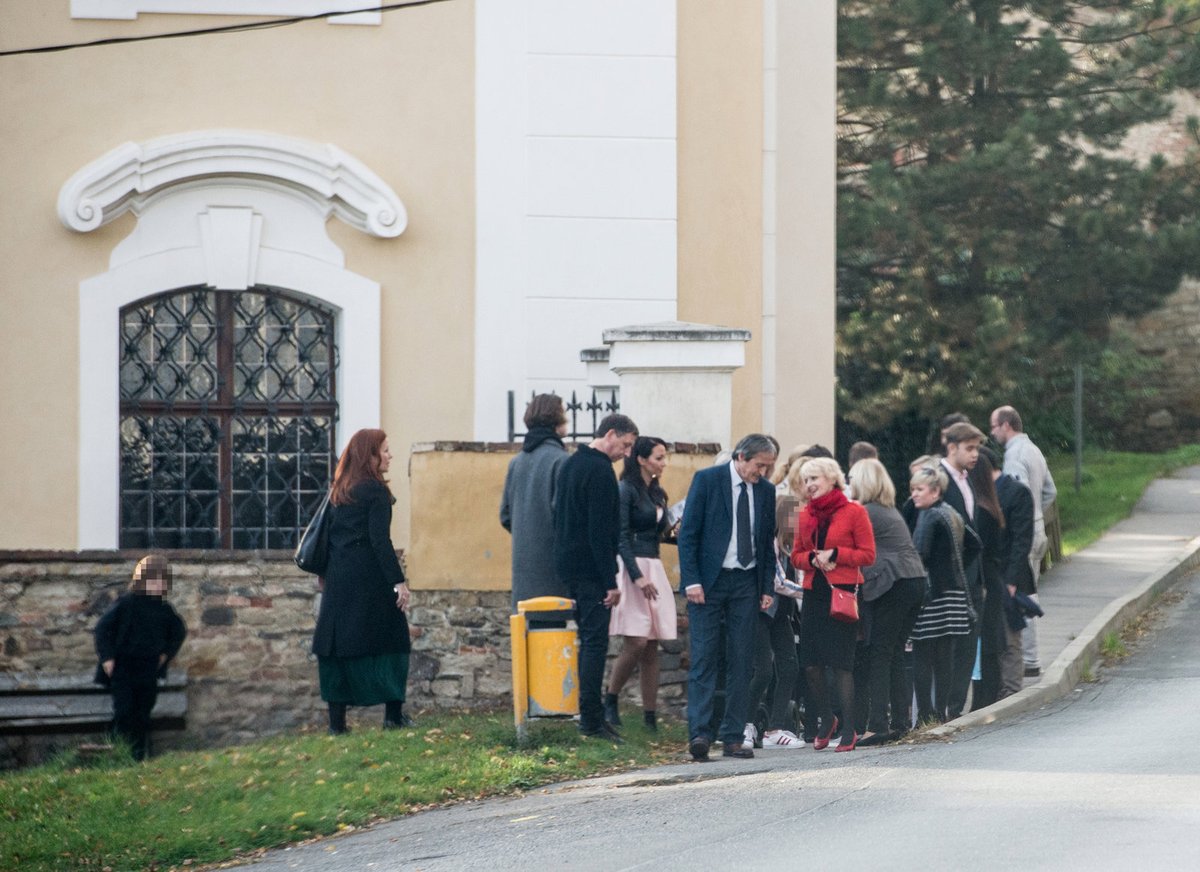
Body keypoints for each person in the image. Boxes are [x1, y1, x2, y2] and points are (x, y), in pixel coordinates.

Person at [678, 433, 778, 761]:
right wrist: (691, 580)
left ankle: (733, 736)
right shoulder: (708, 480)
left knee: (742, 659)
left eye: (768, 467)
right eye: (759, 466)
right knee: (705, 656)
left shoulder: (765, 491)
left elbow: (766, 543)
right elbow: (688, 534)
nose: (762, 472)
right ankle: (700, 735)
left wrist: (766, 588)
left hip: (746, 582)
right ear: (741, 457)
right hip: (709, 581)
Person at [312, 429, 412, 735]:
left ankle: (336, 725)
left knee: (337, 647)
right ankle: (393, 716)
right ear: (370, 455)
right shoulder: (376, 492)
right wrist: (399, 582)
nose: (390, 455)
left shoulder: (339, 490)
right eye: (385, 450)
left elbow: (328, 539)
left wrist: (324, 574)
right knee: (393, 641)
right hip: (370, 580)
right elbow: (380, 541)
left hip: (339, 580)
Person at [554, 413, 639, 742]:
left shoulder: (572, 464)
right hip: (591, 570)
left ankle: (590, 714)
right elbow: (600, 532)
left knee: (587, 642)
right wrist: (610, 580)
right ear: (612, 434)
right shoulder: (601, 470)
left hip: (570, 565)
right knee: (594, 643)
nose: (627, 453)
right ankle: (590, 719)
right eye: (626, 444)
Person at [791, 457, 876, 752]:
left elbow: (868, 554)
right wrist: (812, 560)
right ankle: (828, 719)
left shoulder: (854, 512)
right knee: (811, 663)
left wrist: (836, 554)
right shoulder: (803, 515)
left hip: (843, 591)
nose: (810, 485)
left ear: (831, 479)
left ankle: (850, 728)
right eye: (806, 480)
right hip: (814, 591)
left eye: (815, 478)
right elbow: (796, 556)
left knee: (841, 663)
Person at [849, 459, 926, 745]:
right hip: (912, 581)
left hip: (894, 584)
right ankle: (900, 722)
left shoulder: (866, 512)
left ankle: (878, 725)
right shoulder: (888, 511)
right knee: (893, 653)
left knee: (880, 653)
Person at [604, 436, 678, 732]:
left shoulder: (658, 492)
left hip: (654, 563)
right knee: (635, 641)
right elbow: (620, 536)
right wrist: (637, 576)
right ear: (641, 459)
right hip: (632, 566)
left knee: (652, 645)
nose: (663, 463)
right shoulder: (625, 490)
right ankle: (610, 699)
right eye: (659, 457)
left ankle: (649, 716)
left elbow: (659, 534)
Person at [94, 554, 187, 761]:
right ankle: (116, 754)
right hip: (124, 667)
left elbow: (178, 632)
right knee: (124, 712)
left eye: (161, 581)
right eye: (152, 580)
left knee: (142, 713)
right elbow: (103, 629)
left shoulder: (164, 610)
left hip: (148, 668)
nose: (156, 585)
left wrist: (166, 654)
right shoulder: (126, 603)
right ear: (141, 581)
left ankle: (137, 756)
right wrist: (107, 658)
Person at [907, 465, 980, 724]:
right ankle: (942, 712)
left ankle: (924, 714)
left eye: (919, 489)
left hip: (931, 596)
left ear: (935, 491)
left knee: (922, 656)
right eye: (912, 489)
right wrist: (952, 563)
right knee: (945, 657)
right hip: (954, 595)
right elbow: (975, 544)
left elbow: (919, 554)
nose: (914, 495)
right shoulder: (951, 513)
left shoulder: (927, 517)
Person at [989, 405, 1057, 678]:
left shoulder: (1014, 455)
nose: (992, 433)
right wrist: (1038, 514)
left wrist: (1025, 518)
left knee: (1020, 591)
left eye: (994, 427)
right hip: (1038, 526)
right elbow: (1050, 490)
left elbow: (1015, 498)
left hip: (1023, 531)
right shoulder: (1034, 450)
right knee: (1029, 590)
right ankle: (1030, 656)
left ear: (1006, 425)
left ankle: (1029, 659)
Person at [500, 394, 570, 612]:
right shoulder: (561, 461)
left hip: (523, 572)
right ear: (556, 421)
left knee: (526, 638)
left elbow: (505, 515)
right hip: (556, 572)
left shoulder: (517, 462)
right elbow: (566, 518)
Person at [939, 421, 988, 719]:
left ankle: (955, 708)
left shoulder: (967, 480)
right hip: (950, 577)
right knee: (950, 646)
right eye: (969, 448)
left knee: (969, 643)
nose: (975, 455)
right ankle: (945, 707)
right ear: (952, 447)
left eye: (977, 449)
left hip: (972, 575)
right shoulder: (938, 478)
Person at [982, 445, 1035, 698]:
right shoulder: (981, 493)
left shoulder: (1016, 492)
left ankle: (1012, 690)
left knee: (1009, 635)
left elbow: (1021, 540)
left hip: (1008, 574)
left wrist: (1012, 579)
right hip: (991, 574)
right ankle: (1000, 687)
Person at [967, 451, 1008, 709]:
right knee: (990, 640)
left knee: (984, 641)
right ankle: (988, 695)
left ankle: (983, 698)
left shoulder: (980, 511)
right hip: (993, 578)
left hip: (983, 581)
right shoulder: (991, 507)